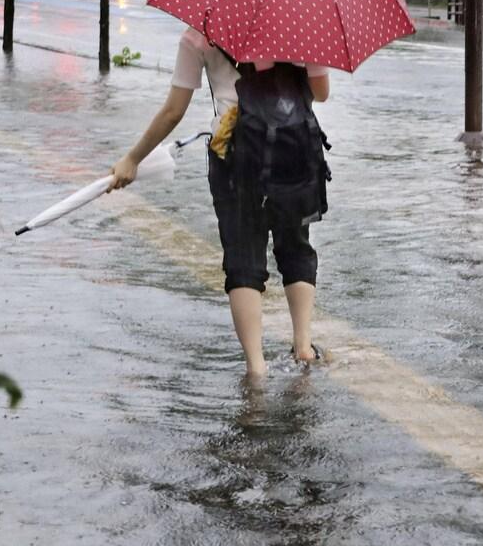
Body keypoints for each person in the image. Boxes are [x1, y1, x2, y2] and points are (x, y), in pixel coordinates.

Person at [110, 26, 331, 380]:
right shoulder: (301, 20)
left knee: (243, 256)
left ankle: (256, 367)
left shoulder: (200, 31)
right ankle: (303, 346)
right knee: (296, 245)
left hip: (235, 153)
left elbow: (173, 111)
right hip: (295, 150)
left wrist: (133, 159)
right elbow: (321, 94)